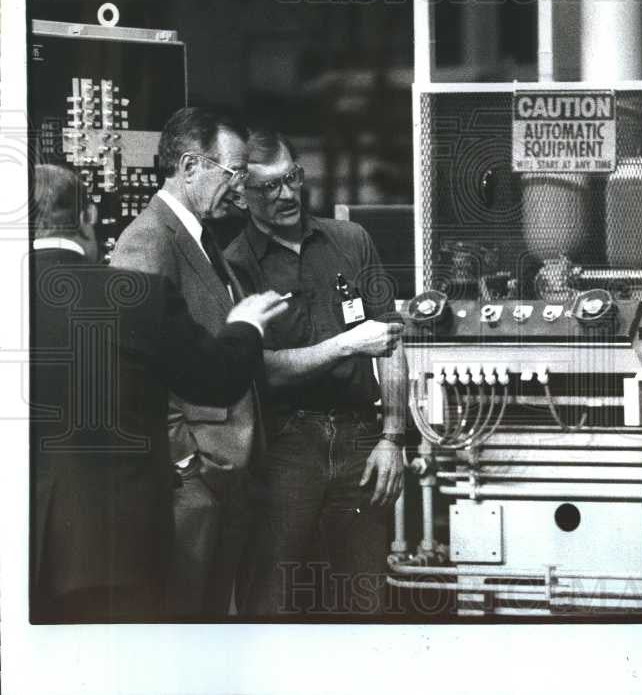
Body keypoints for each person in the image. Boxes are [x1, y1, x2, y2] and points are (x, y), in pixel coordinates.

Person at [30, 165, 288, 622]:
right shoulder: (137, 295)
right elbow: (215, 380)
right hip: (113, 547)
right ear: (88, 217)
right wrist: (245, 324)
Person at [225, 129, 407, 616]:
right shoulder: (235, 265)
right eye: (266, 187)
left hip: (360, 441)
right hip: (285, 447)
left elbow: (390, 341)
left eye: (291, 178)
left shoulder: (350, 240)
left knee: (364, 602)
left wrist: (392, 436)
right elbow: (262, 373)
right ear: (240, 194)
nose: (285, 195)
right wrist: (345, 344)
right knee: (274, 601)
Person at [110, 107, 262, 617]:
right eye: (233, 172)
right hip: (194, 481)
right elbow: (134, 364)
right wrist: (184, 463)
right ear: (191, 165)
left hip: (224, 473)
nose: (239, 187)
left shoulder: (202, 236)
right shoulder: (147, 241)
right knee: (186, 624)